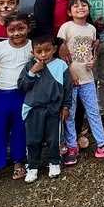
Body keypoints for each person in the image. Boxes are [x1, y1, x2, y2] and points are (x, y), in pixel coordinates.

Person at [59, 0, 104, 163]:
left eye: (84, 5)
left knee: (93, 111)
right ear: (69, 11)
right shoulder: (66, 27)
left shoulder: (92, 29)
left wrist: (93, 60)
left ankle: (102, 144)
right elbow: (61, 54)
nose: (80, 8)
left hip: (87, 78)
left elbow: (92, 51)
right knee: (70, 113)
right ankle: (71, 146)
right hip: (71, 80)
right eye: (76, 6)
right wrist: (70, 73)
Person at [0, 13, 33, 186]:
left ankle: (18, 161)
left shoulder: (32, 47)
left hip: (22, 94)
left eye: (21, 28)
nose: (16, 33)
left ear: (28, 28)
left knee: (20, 128)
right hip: (1, 94)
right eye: (12, 30)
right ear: (6, 30)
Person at [19, 34, 69, 183]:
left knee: (54, 138)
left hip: (54, 108)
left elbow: (68, 89)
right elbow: (21, 86)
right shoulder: (29, 66)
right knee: (33, 139)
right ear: (32, 52)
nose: (43, 55)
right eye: (39, 51)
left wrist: (66, 106)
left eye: (47, 50)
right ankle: (33, 166)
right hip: (33, 109)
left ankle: (54, 162)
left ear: (54, 49)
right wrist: (32, 72)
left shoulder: (61, 65)